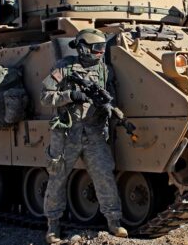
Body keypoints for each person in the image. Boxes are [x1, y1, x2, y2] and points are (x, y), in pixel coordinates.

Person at [40, 28, 128, 244]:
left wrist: (110, 109)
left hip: (94, 133)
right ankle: (53, 227)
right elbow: (45, 96)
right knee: (57, 179)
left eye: (102, 48)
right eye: (95, 48)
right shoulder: (64, 67)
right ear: (82, 47)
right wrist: (70, 95)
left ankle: (114, 222)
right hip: (67, 132)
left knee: (104, 177)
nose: (100, 52)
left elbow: (111, 98)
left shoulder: (105, 71)